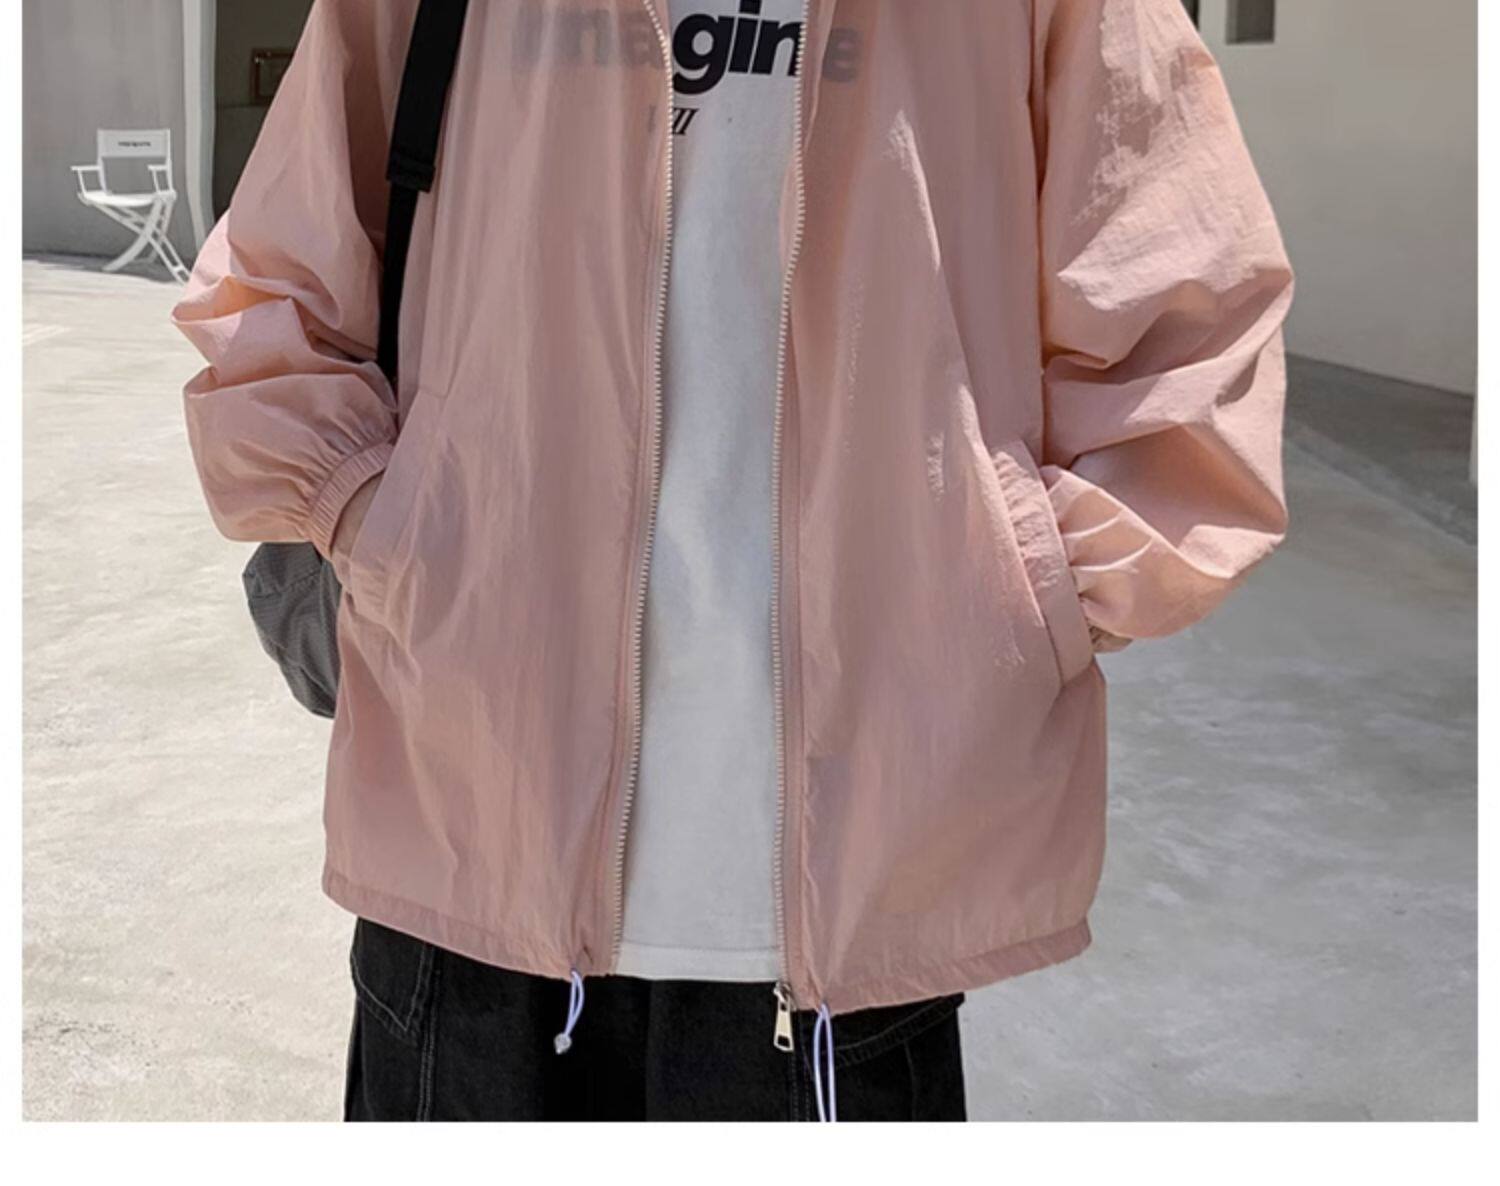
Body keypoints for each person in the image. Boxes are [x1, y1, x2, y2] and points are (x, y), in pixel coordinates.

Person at [172, 0, 1293, 1122]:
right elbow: (274, 284)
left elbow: (1189, 327)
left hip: (858, 908)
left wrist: (1014, 598)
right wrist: (380, 523)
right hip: (467, 834)